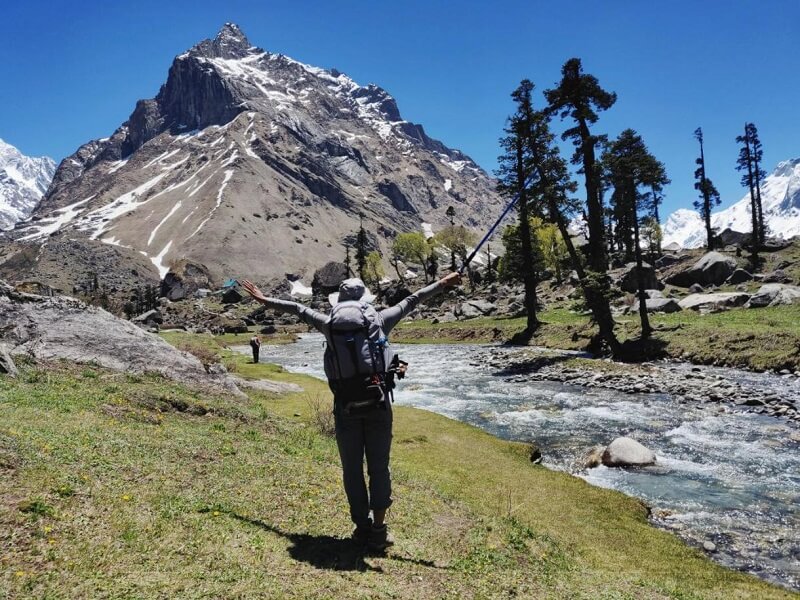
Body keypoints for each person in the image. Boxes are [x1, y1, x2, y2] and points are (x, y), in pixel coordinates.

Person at [241, 272, 461, 552]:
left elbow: (296, 309)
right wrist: (443, 283)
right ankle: (379, 531)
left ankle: (361, 527)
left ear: (340, 301)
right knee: (379, 467)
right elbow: (413, 299)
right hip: (378, 403)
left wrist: (264, 299)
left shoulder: (328, 324)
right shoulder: (380, 320)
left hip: (345, 407)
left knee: (352, 470)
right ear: (364, 300)